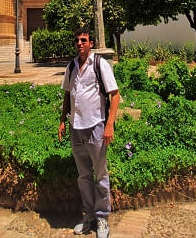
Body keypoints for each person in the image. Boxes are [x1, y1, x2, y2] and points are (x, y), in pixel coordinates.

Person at [58, 27, 120, 238]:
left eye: (83, 40)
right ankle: (88, 215)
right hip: (76, 127)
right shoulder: (71, 66)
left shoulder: (99, 64)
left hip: (96, 126)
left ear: (90, 43)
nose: (80, 43)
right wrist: (62, 120)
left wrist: (109, 124)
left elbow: (115, 95)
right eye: (77, 40)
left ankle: (102, 218)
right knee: (83, 176)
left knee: (100, 174)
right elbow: (68, 94)